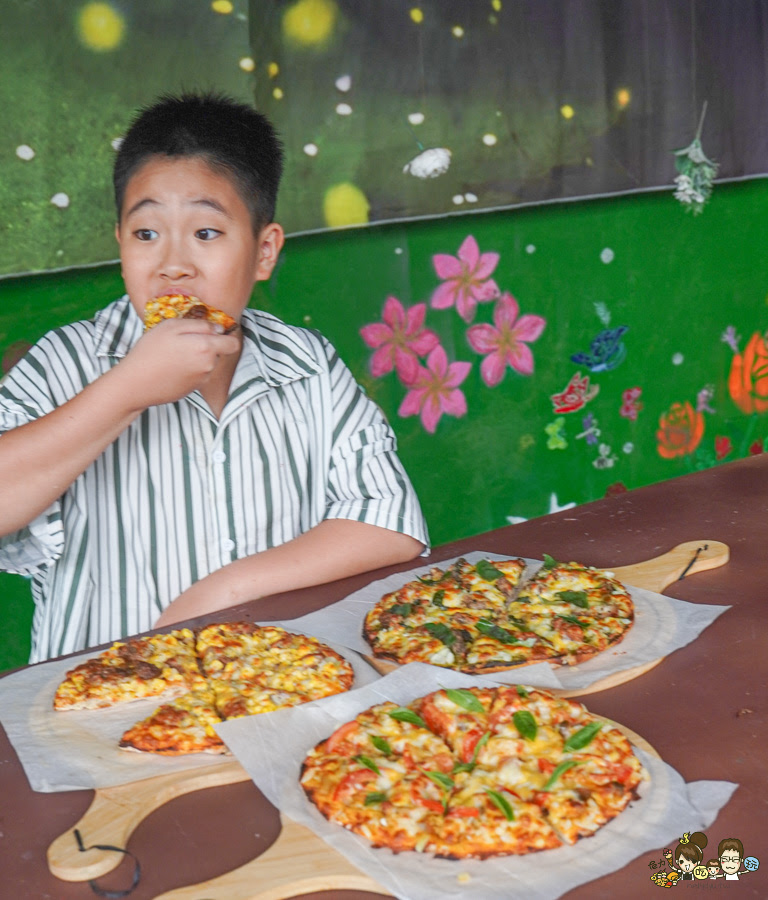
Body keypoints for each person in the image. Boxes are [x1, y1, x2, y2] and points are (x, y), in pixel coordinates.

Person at [0, 93, 429, 663]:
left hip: (274, 681)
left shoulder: (306, 363)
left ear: (264, 252)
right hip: (105, 696)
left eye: (205, 233)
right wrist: (126, 391)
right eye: (146, 234)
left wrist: (217, 595)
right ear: (120, 243)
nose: (172, 265)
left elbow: (390, 525)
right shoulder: (63, 363)